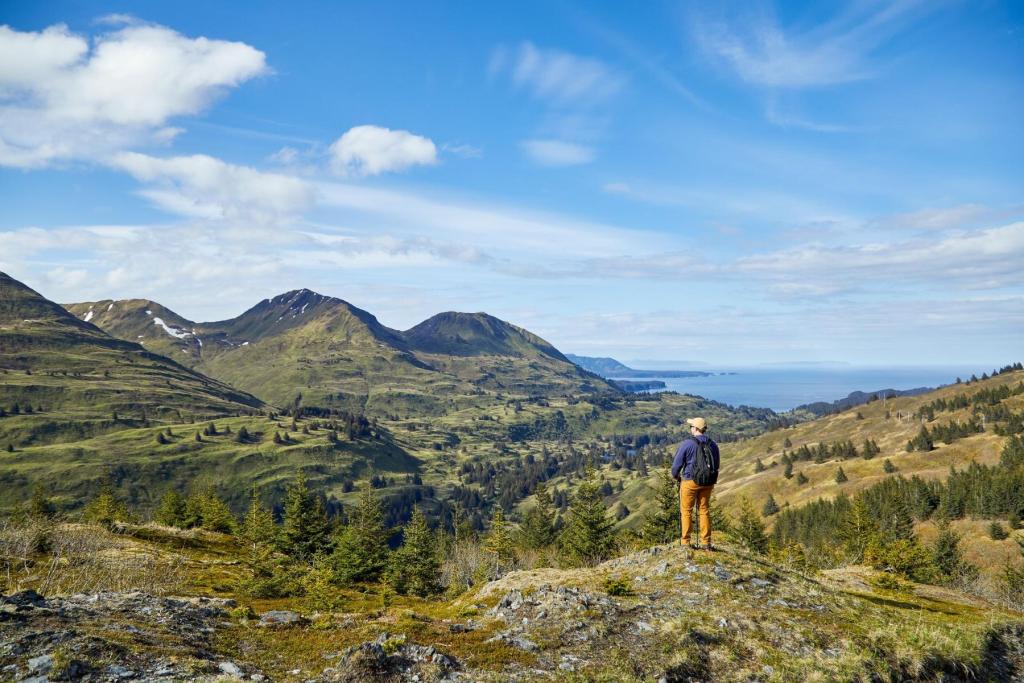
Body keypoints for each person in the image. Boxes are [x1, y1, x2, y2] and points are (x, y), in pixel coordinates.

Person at [671, 417, 720, 550]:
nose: (690, 428)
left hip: (690, 481)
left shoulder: (688, 444)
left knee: (686, 511)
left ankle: (686, 542)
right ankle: (706, 543)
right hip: (708, 482)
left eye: (691, 426)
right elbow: (717, 464)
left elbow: (676, 466)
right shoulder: (713, 444)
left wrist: (676, 477)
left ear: (696, 428)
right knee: (704, 510)